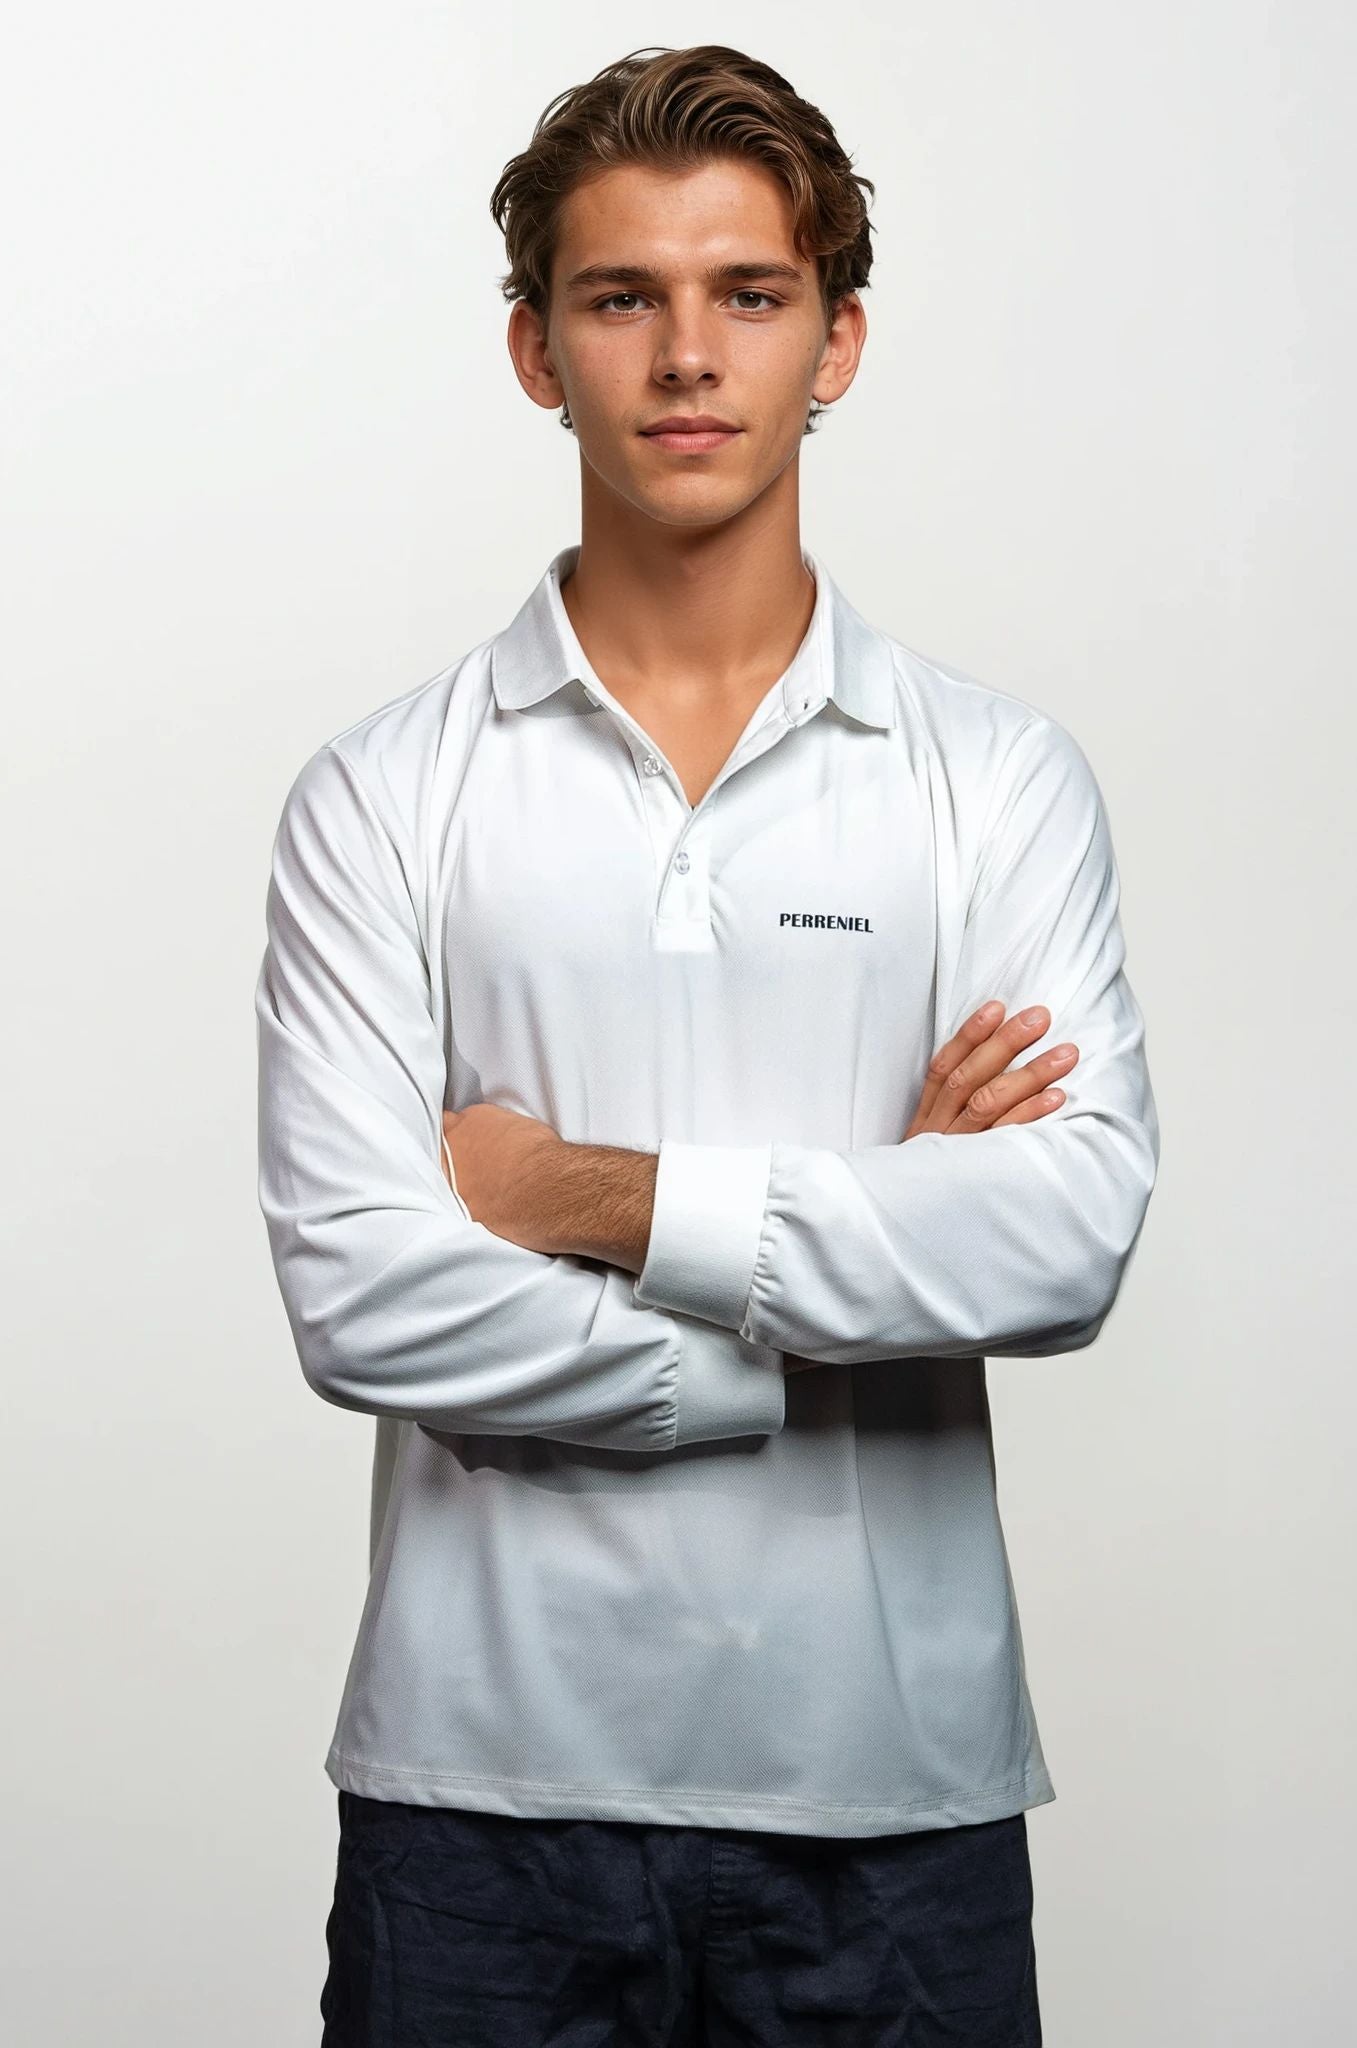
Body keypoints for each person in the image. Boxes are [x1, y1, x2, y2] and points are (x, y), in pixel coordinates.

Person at [255, 40, 1159, 2047]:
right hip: (475, 1799)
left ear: (835, 341)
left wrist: (571, 1194)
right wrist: (823, 1312)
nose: (687, 354)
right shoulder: (382, 797)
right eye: (620, 298)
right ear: (534, 351)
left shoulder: (991, 784)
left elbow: (1063, 1237)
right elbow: (359, 1296)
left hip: (891, 1801)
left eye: (746, 296)